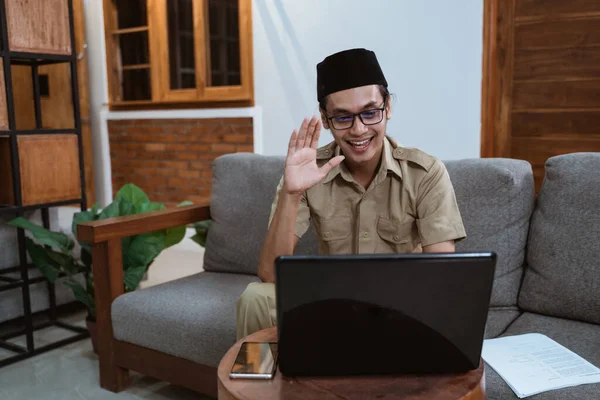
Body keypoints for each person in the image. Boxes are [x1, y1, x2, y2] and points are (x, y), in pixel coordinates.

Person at [236, 48, 466, 339]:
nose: (358, 130)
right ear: (326, 118)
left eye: (370, 113)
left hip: (398, 305)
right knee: (256, 297)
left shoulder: (426, 173)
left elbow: (442, 278)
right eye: (343, 118)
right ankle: (262, 384)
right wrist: (291, 194)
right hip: (332, 302)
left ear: (388, 108)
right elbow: (269, 274)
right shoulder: (307, 171)